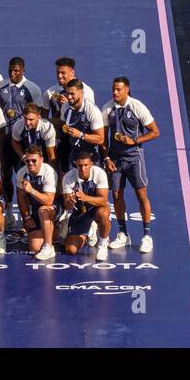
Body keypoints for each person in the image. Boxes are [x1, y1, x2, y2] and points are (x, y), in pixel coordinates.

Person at [103, 77, 159, 253]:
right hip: (115, 159)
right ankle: (123, 234)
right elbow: (103, 139)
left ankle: (147, 235)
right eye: (113, 89)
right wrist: (106, 159)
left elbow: (155, 132)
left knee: (141, 195)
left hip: (135, 158)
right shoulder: (107, 108)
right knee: (117, 195)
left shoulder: (137, 106)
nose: (115, 93)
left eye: (119, 89)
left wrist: (134, 140)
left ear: (127, 90)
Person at [61, 148, 111, 260]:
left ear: (91, 164)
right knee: (70, 250)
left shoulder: (99, 173)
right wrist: (71, 201)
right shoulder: (68, 177)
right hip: (79, 213)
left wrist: (85, 198)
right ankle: (89, 232)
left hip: (96, 208)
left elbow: (103, 200)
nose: (82, 168)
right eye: (80, 166)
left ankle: (102, 244)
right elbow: (67, 206)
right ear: (76, 165)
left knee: (103, 213)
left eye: (85, 165)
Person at [15, 146, 58, 261]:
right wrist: (27, 217)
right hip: (35, 208)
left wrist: (31, 190)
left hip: (54, 207)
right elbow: (21, 197)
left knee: (43, 210)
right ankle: (53, 231)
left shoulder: (49, 172)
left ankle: (49, 246)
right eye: (27, 161)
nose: (30, 164)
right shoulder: (21, 173)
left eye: (34, 160)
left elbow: (49, 200)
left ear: (41, 159)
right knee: (35, 247)